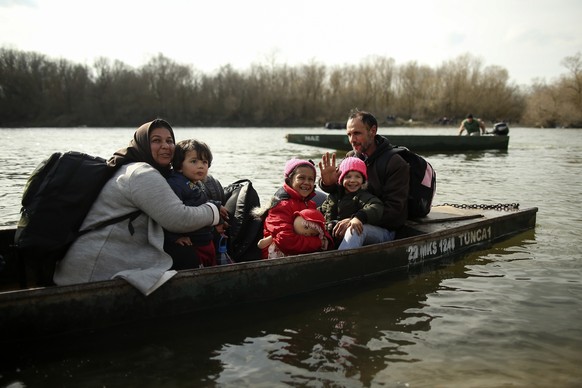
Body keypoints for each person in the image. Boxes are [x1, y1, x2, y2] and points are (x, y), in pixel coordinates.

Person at [53, 119, 221, 295]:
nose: (166, 146)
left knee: (185, 252)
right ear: (142, 144)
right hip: (91, 273)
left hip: (115, 258)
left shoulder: (149, 171)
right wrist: (214, 211)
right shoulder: (141, 173)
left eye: (170, 141)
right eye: (156, 141)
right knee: (186, 256)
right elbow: (179, 219)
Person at [319, 109, 409, 239]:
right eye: (349, 134)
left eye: (357, 133)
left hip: (382, 226)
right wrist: (328, 183)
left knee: (353, 231)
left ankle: (340, 258)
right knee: (313, 196)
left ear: (372, 131)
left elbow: (394, 211)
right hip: (352, 215)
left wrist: (355, 219)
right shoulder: (351, 156)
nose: (352, 140)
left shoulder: (395, 163)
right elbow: (341, 192)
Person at [165, 139, 230, 268]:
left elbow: (200, 202)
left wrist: (216, 206)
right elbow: (167, 215)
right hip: (193, 243)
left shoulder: (196, 183)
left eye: (204, 162)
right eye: (194, 161)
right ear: (179, 165)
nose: (201, 166)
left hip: (205, 239)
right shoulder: (175, 184)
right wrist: (175, 237)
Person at [259, 158, 334, 259]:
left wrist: (327, 240)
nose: (306, 182)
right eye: (301, 178)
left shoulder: (310, 204)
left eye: (310, 179)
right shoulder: (281, 205)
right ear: (290, 180)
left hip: (301, 254)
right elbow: (286, 241)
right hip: (278, 258)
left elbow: (320, 229)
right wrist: (318, 243)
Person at [319, 157, 390, 249]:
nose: (352, 180)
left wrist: (358, 218)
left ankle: (342, 259)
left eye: (357, 176)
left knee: (354, 229)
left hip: (355, 235)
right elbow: (323, 210)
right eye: (348, 176)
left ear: (363, 180)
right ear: (341, 179)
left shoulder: (362, 196)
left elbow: (376, 206)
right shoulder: (334, 196)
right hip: (334, 236)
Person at [257, 208, 332, 258]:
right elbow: (261, 244)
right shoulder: (287, 230)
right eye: (306, 227)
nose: (307, 234)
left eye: (311, 234)